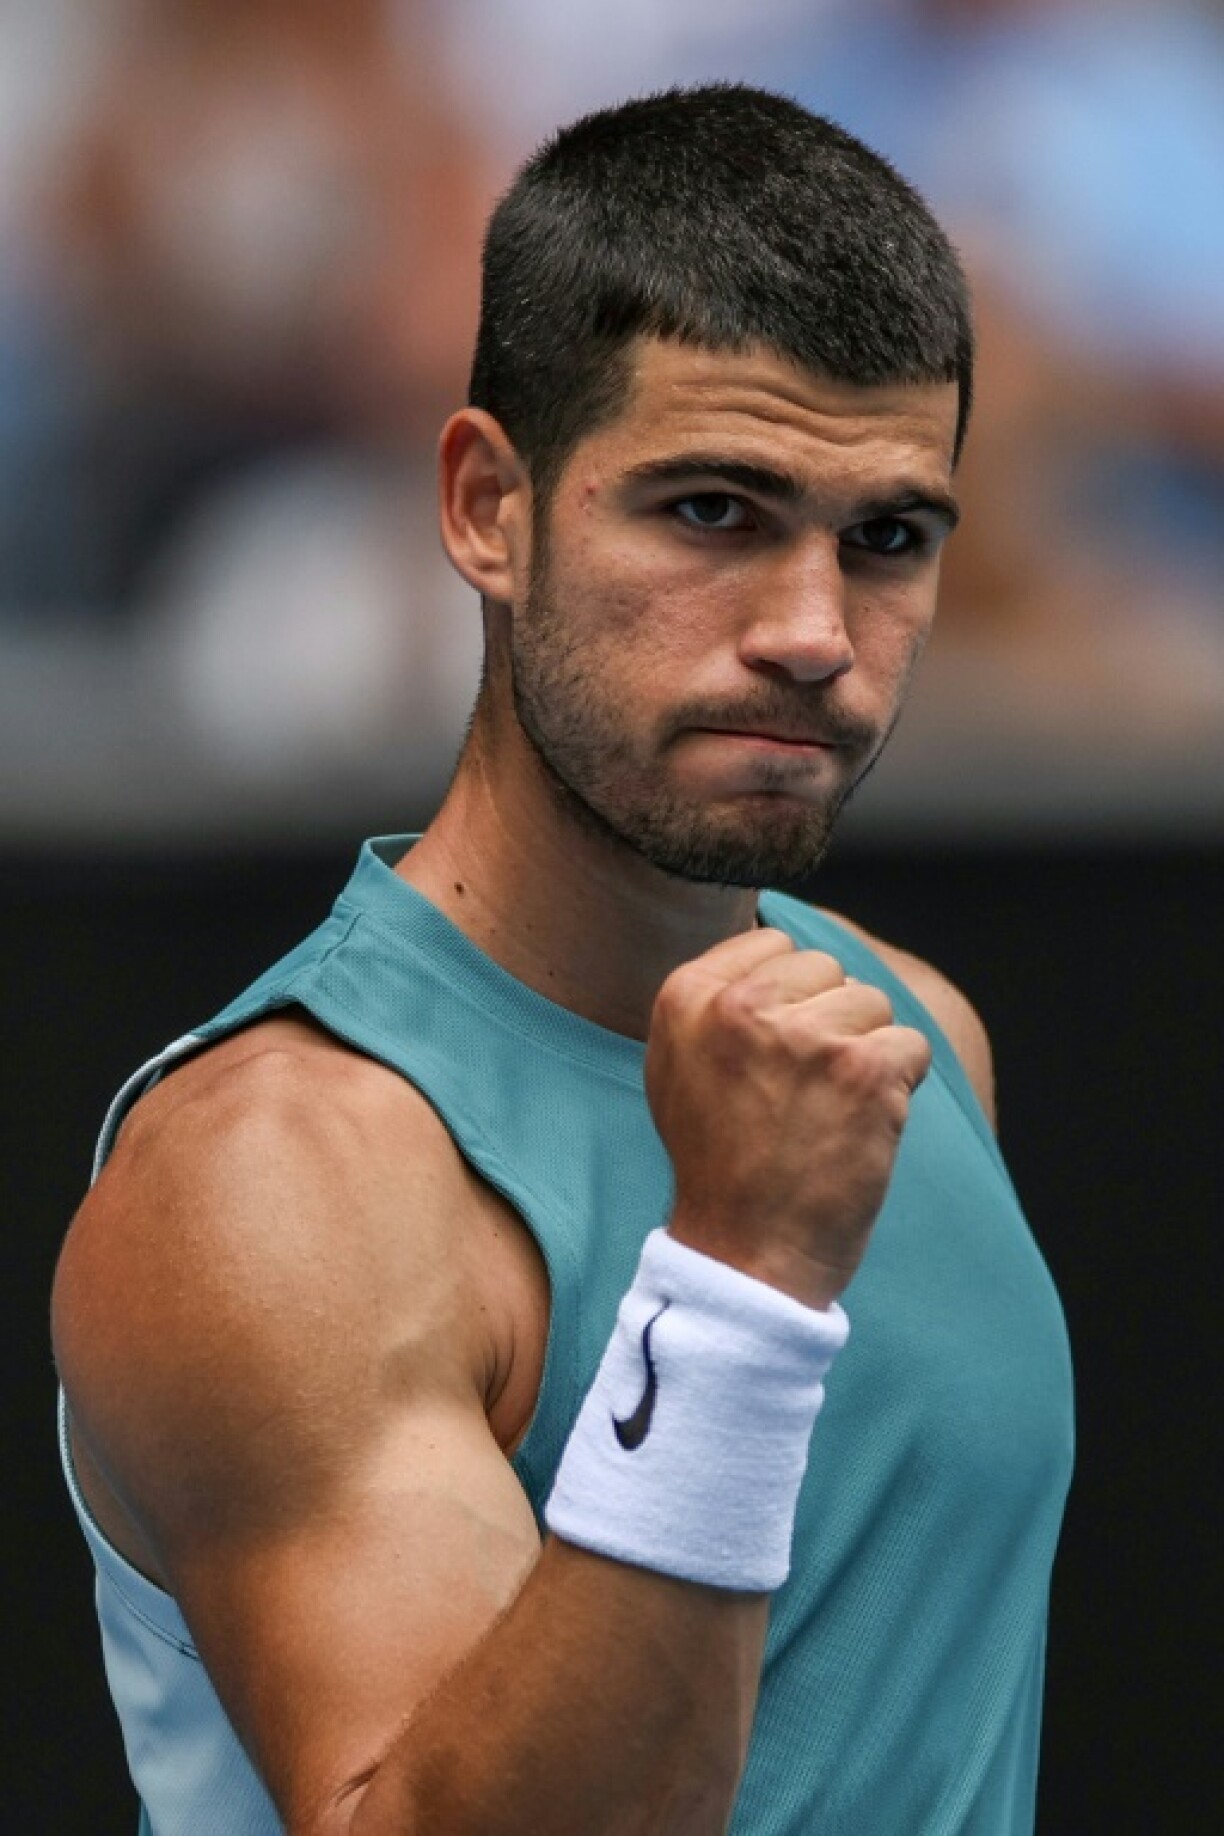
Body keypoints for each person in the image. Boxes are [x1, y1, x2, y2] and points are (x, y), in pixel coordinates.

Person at [52, 85, 1074, 1835]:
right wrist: (739, 1286)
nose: (816, 634)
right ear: (487, 510)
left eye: (886, 537)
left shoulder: (918, 1038)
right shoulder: (269, 1182)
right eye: (712, 512)